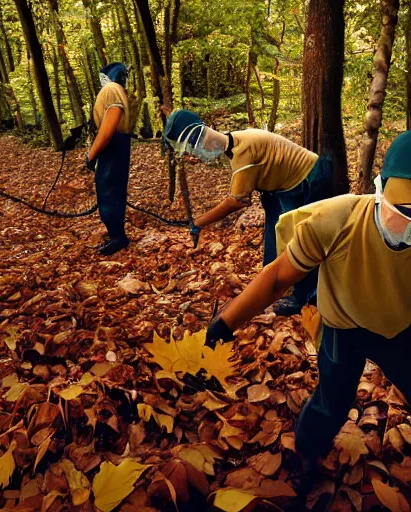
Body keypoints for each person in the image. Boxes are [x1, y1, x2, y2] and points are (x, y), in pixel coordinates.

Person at [206, 131, 411, 481]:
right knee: (331, 401)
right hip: (341, 327)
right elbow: (277, 278)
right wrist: (226, 323)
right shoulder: (336, 220)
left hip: (400, 328)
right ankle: (306, 456)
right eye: (403, 213)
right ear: (379, 193)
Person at [162, 110, 335, 315]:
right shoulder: (235, 144)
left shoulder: (243, 151)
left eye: (195, 144)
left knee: (299, 240)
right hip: (281, 188)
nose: (196, 152)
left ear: (204, 134)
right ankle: (272, 282)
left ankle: (304, 297)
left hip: (308, 179)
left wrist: (199, 222)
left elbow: (236, 201)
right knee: (274, 237)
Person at [85, 62, 131, 256]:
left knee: (108, 191)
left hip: (113, 146)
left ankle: (117, 237)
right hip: (119, 144)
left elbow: (108, 128)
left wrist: (91, 154)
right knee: (113, 190)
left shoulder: (111, 89)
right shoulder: (119, 90)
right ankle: (116, 234)